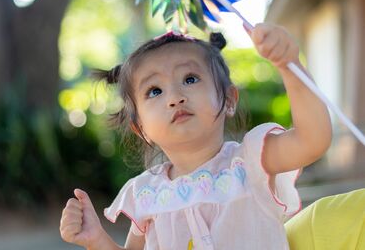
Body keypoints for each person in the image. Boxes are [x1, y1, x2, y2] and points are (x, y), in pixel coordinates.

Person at [59, 23, 332, 249]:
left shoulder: (251, 161)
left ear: (227, 99)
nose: (175, 97)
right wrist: (95, 240)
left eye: (190, 79)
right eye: (155, 91)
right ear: (140, 128)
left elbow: (312, 140)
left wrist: (289, 66)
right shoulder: (147, 194)